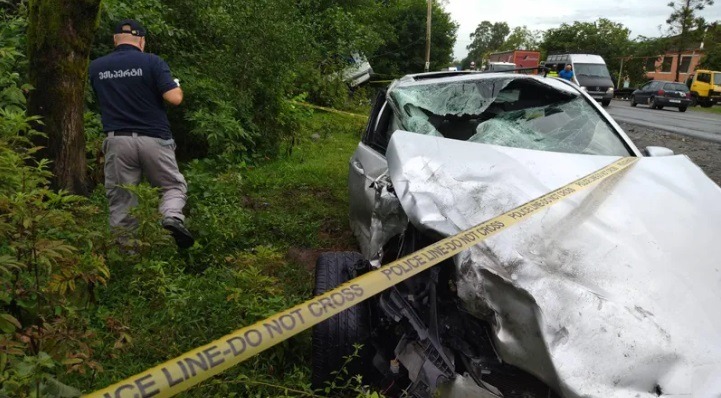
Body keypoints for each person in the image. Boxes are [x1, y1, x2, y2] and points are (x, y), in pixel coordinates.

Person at [89, 19, 194, 249]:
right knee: (172, 187)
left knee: (122, 199)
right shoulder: (152, 62)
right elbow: (174, 98)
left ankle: (125, 258)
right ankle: (171, 217)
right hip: (154, 139)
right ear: (142, 41)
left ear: (115, 39)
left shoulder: (96, 67)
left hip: (117, 140)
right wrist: (174, 84)